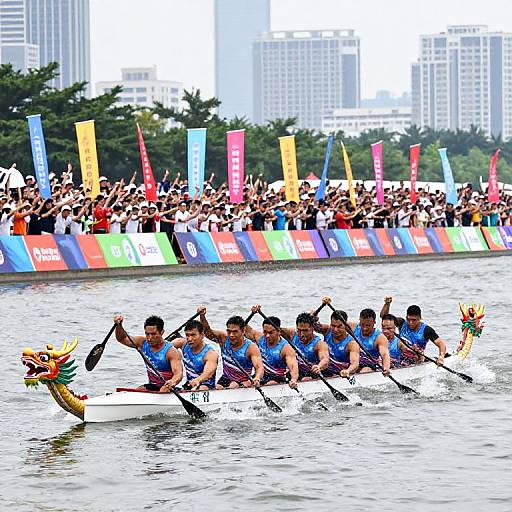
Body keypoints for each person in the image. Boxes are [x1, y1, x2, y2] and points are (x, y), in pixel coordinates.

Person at [198, 306, 265, 389]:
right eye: (229, 331)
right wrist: (202, 316)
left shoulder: (251, 347)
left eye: (235, 332)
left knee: (233, 385)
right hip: (226, 378)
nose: (231, 335)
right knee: (217, 387)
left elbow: (259, 367)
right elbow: (207, 332)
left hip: (244, 380)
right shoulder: (223, 339)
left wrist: (257, 379)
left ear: (243, 331)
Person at [113, 315, 183, 392]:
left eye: (153, 334)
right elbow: (122, 339)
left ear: (162, 332)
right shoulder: (142, 343)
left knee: (163, 390)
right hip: (152, 385)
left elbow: (178, 373)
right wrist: (119, 326)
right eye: (147, 334)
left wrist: (172, 382)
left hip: (168, 387)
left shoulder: (171, 352)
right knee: (139, 390)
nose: (149, 338)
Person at [380, 297, 447, 366]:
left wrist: (441, 357)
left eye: (414, 320)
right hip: (400, 358)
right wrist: (387, 304)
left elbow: (440, 343)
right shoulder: (402, 323)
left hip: (417, 359)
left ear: (420, 318)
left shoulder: (426, 330)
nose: (410, 323)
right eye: (408, 319)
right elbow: (385, 317)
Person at [244, 305, 299, 388]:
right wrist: (252, 314)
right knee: (245, 383)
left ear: (279, 331)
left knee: (270, 383)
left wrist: (294, 380)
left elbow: (293, 368)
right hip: (260, 376)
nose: (267, 336)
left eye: (271, 332)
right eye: (265, 332)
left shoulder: (286, 348)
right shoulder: (259, 338)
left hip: (277, 378)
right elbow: (243, 328)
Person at [312, 300, 360, 378]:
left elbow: (355, 363)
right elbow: (311, 324)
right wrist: (317, 311)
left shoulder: (351, 344)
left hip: (342, 372)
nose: (335, 330)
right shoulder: (327, 330)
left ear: (346, 325)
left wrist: (348, 371)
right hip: (327, 369)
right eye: (333, 325)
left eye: (339, 326)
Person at [281, 312, 330, 380]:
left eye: (305, 331)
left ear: (312, 328)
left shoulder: (319, 344)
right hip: (297, 371)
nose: (302, 334)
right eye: (299, 330)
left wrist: (319, 366)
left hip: (313, 372)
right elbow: (275, 328)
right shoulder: (292, 334)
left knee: (306, 378)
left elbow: (325, 360)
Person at [172, 320, 218, 390]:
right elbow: (164, 348)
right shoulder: (182, 343)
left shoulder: (210, 354)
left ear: (202, 335)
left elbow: (208, 373)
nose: (189, 339)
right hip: (189, 385)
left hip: (206, 386)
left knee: (202, 388)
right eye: (187, 335)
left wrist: (197, 380)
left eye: (193, 335)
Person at [353, 309, 391, 375]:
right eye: (362, 324)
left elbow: (385, 355)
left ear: (374, 322)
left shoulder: (380, 337)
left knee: (365, 370)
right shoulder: (353, 328)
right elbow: (335, 325)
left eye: (368, 325)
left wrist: (386, 368)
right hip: (353, 362)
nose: (364, 328)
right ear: (359, 321)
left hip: (368, 365)